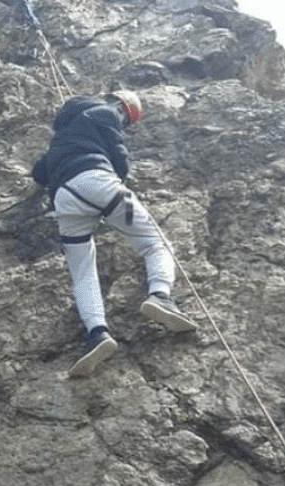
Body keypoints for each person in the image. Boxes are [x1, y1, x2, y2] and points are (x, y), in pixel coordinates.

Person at [32, 91, 198, 378]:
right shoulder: (106, 112)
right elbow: (119, 158)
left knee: (83, 271)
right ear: (121, 106)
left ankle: (97, 333)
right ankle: (160, 295)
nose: (123, 121)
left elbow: (39, 173)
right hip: (98, 181)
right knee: (155, 243)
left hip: (65, 199)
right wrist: (118, 176)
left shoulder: (60, 136)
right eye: (126, 118)